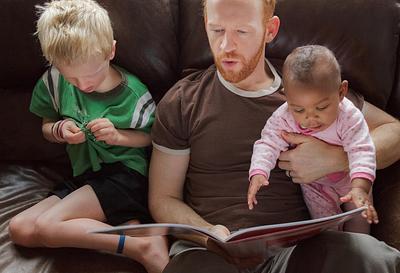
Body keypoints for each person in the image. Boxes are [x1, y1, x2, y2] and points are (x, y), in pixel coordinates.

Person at [149, 0, 400, 272]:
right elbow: (163, 198)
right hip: (209, 253)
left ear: (270, 29)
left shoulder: (308, 88)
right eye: (217, 30)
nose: (226, 47)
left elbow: (394, 131)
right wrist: (208, 233)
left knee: (365, 255)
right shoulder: (183, 100)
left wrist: (337, 159)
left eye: (241, 32)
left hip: (294, 254)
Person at [7, 1, 169, 272]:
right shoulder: (54, 82)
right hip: (84, 177)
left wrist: (118, 136)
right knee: (20, 229)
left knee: (48, 227)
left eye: (91, 75)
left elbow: (151, 139)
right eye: (73, 79)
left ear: (110, 51)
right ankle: (131, 229)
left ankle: (140, 247)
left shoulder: (134, 94)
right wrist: (59, 131)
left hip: (125, 175)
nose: (83, 86)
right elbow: (47, 125)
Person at [248, 45, 378, 234]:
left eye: (322, 108)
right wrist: (259, 172)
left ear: (341, 92)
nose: (310, 119)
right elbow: (267, 143)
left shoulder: (349, 117)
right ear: (287, 96)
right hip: (316, 185)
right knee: (326, 228)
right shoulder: (284, 116)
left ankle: (359, 244)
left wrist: (360, 187)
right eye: (299, 110)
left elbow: (362, 150)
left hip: (351, 178)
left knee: (360, 221)